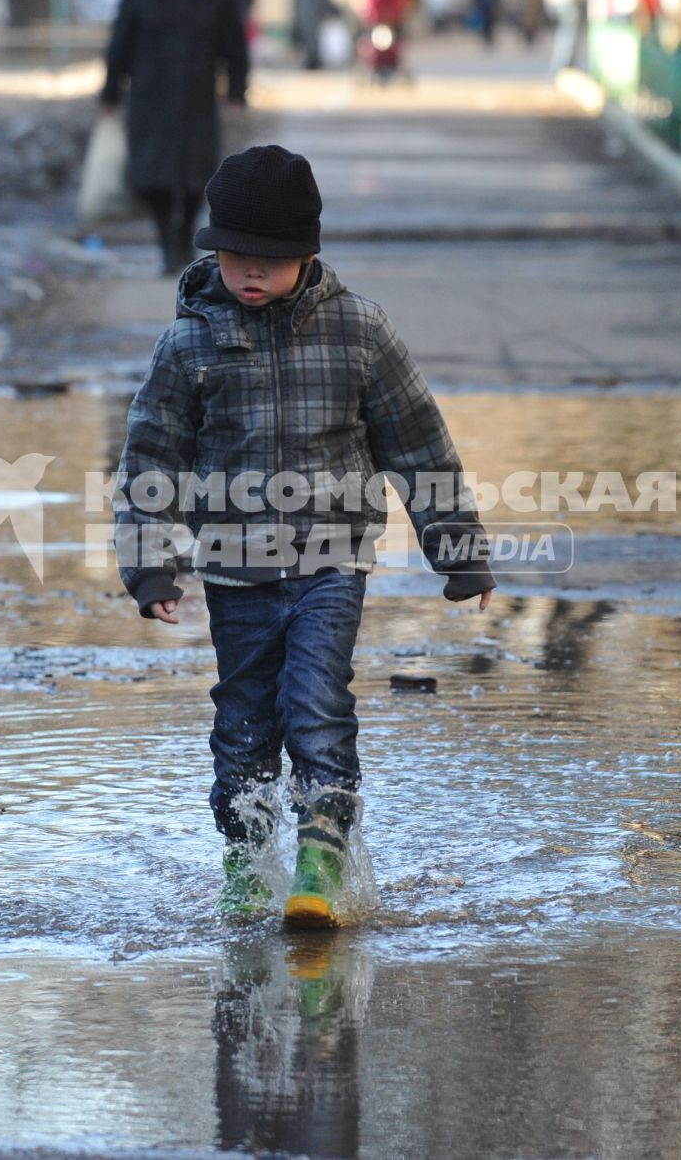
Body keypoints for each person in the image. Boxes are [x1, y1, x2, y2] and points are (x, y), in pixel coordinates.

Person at [114, 146, 494, 928]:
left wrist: (458, 551)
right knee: (243, 719)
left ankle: (320, 857)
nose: (249, 273)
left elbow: (418, 442)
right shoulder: (188, 345)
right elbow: (151, 459)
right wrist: (152, 567)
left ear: (308, 253)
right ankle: (248, 860)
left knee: (317, 702)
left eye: (270, 259)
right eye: (234, 257)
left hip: (332, 563)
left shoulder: (358, 331)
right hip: (234, 568)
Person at [102, 0, 249, 276]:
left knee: (196, 173)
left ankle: (184, 238)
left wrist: (237, 90)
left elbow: (234, 42)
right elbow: (121, 38)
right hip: (150, 93)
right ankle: (166, 244)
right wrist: (110, 88)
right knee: (153, 175)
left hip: (197, 94)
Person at [290, 0, 335, 71]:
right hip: (312, 12)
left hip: (303, 11)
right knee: (312, 38)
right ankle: (313, 62)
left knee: (308, 37)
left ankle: (311, 61)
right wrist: (333, 9)